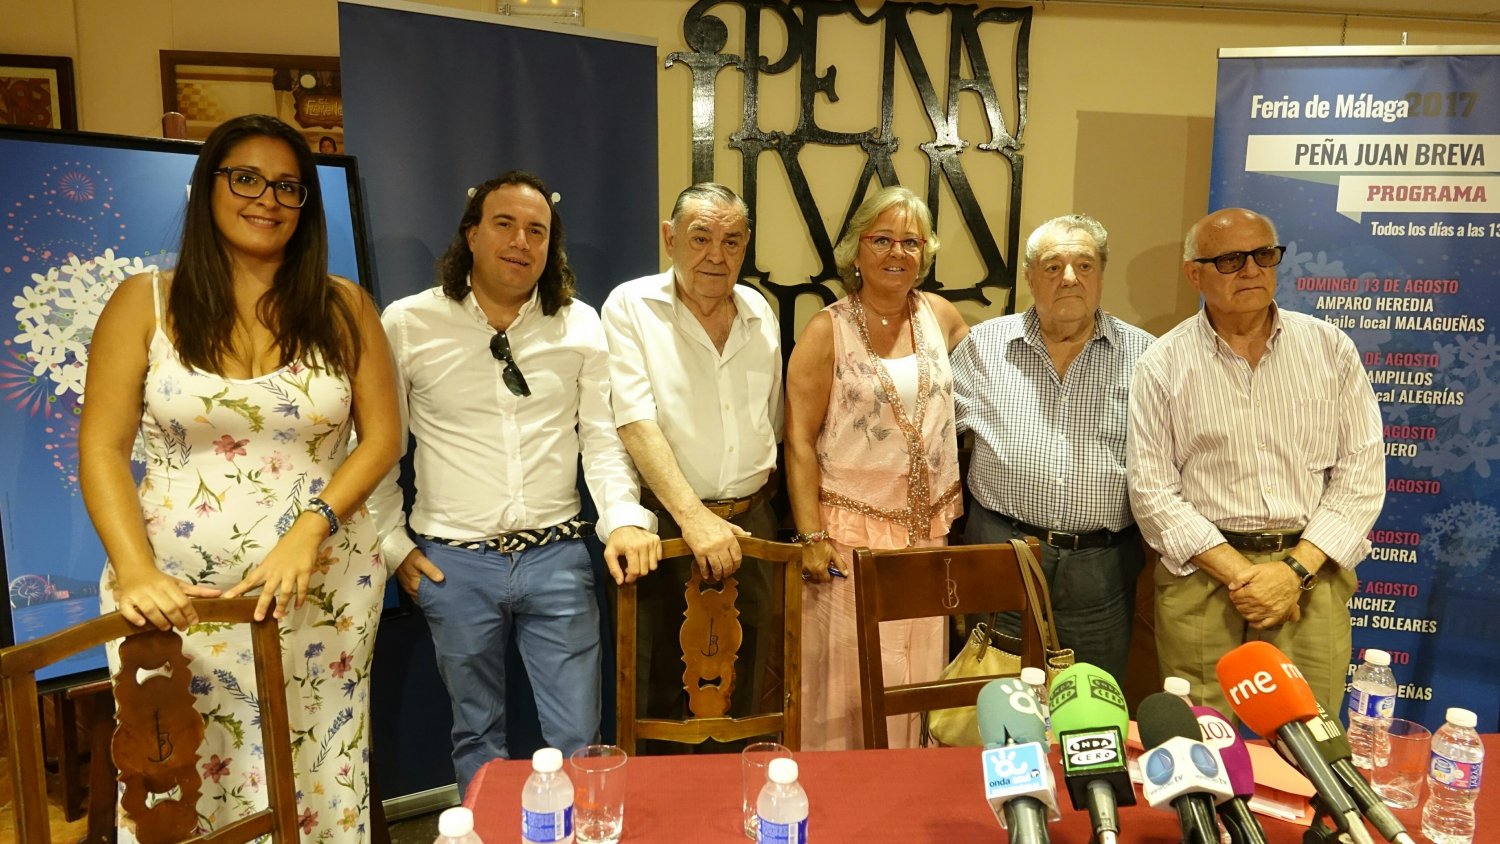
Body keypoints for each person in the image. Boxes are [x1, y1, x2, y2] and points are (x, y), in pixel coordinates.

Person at [79, 113, 402, 840]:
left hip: (321, 593)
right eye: (247, 178)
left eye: (289, 187)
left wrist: (307, 531)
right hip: (177, 603)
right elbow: (101, 447)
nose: (268, 199)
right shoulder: (143, 302)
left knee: (317, 777)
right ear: (207, 187)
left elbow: (382, 439)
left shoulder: (344, 306)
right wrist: (134, 572)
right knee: (188, 783)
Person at [368, 171, 659, 794]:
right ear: (471, 234)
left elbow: (603, 441)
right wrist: (394, 546)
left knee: (580, 737)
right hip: (452, 564)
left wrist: (624, 519)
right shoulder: (409, 323)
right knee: (477, 735)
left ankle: (580, 835)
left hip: (557, 559)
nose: (521, 242)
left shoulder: (579, 325)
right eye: (504, 224)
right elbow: (378, 448)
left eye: (537, 231)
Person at [1127, 207, 1384, 718]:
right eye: (1230, 260)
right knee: (1207, 740)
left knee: (1310, 739)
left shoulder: (1329, 348)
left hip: (1310, 580)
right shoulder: (1163, 362)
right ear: (1193, 274)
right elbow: (1152, 492)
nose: (1251, 270)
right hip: (1204, 582)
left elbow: (1361, 474)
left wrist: (1291, 574)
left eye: (1264, 255)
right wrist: (1246, 578)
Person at [785, 185, 969, 750]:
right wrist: (812, 536)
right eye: (882, 239)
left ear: (927, 252)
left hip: (927, 539)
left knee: (917, 679)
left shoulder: (941, 317)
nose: (897, 253)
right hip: (848, 541)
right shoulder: (827, 329)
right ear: (856, 251)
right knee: (849, 685)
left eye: (910, 242)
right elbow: (797, 441)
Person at [600, 183, 782, 749]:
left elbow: (770, 420)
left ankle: (744, 813)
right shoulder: (631, 307)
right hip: (670, 531)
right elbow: (634, 423)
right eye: (700, 238)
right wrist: (695, 517)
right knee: (659, 693)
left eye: (732, 240)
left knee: (750, 691)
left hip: (755, 528)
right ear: (670, 238)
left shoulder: (759, 311)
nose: (716, 255)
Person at [951, 214, 1154, 683]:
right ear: (1029, 276)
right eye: (1052, 266)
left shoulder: (1146, 356)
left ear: (1101, 275)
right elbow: (930, 444)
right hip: (1002, 553)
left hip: (1102, 568)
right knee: (995, 700)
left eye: (1084, 266)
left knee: (1093, 701)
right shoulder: (984, 347)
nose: (1069, 278)